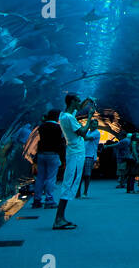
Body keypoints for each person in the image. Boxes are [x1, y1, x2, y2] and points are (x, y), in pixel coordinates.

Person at [54, 92, 99, 229]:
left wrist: (88, 100)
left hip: (74, 152)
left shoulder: (64, 115)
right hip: (76, 153)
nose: (80, 103)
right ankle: (58, 219)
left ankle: (61, 217)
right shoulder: (69, 118)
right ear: (72, 101)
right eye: (78, 100)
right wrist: (89, 116)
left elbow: (78, 108)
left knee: (71, 181)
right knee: (69, 181)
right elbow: (83, 132)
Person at [32, 109, 65, 210]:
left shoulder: (41, 127)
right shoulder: (58, 127)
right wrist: (62, 157)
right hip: (53, 154)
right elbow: (61, 142)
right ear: (56, 117)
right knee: (51, 177)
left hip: (41, 154)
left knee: (40, 177)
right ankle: (49, 200)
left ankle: (37, 200)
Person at [81, 119, 101, 197]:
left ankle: (85, 192)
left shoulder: (97, 133)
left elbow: (86, 138)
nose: (95, 126)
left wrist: (80, 131)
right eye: (93, 124)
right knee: (80, 174)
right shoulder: (88, 131)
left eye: (96, 124)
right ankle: (78, 192)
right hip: (83, 155)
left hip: (90, 155)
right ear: (90, 124)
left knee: (87, 175)